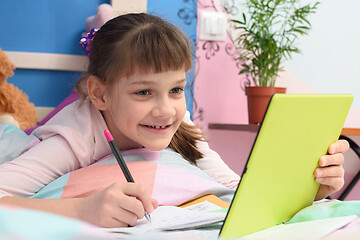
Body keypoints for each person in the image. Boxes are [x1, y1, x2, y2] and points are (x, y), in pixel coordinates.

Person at [0, 13, 349, 228]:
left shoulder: (180, 128)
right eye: (143, 93)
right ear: (101, 95)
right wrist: (80, 209)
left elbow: (236, 192)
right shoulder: (73, 139)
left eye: (177, 90)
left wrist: (312, 191)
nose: (165, 110)